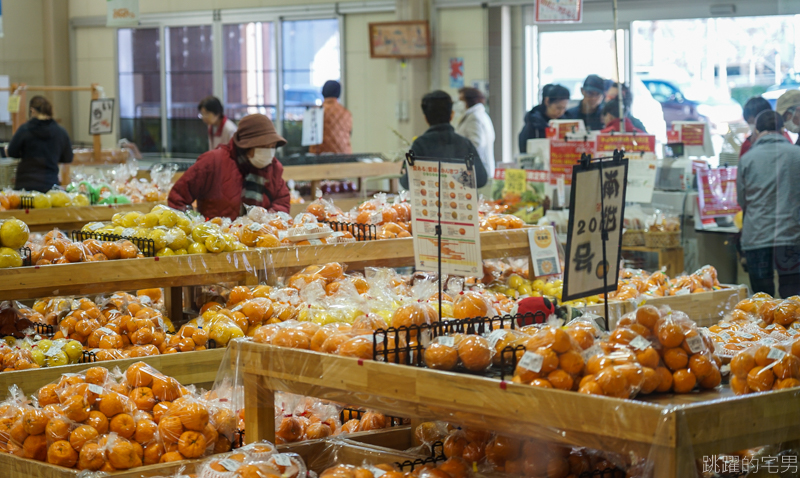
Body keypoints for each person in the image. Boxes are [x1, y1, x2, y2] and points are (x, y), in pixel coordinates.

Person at [169, 114, 290, 220]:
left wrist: (267, 219)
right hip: (216, 241)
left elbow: (282, 201)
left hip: (259, 241)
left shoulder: (273, 168)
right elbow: (178, 197)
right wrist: (192, 226)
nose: (269, 152)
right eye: (263, 146)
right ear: (246, 146)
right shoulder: (213, 161)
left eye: (272, 146)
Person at [737, 110, 800, 298]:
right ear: (782, 129)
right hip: (792, 237)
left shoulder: (747, 159)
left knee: (762, 300)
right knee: (792, 299)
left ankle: (764, 328)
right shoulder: (797, 155)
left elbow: (742, 200)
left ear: (756, 130)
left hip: (757, 237)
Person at [399, 91, 487, 190]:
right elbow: (481, 179)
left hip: (429, 203)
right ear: (452, 115)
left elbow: (408, 182)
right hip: (461, 203)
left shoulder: (421, 144)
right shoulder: (465, 144)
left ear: (425, 118)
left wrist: (403, 175)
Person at [5, 96, 73, 192]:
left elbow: (12, 152)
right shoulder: (61, 132)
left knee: (27, 207)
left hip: (25, 185)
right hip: (50, 185)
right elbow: (68, 158)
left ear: (32, 111)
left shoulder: (24, 129)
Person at [455, 87, 495, 179]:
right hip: (479, 168)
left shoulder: (474, 118)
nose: (458, 104)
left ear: (469, 100)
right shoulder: (480, 115)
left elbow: (476, 144)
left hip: (477, 170)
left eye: (461, 100)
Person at [518, 84, 570, 153]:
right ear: (547, 101)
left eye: (564, 108)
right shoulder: (533, 123)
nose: (561, 112)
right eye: (558, 108)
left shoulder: (566, 121)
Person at [309, 80, 353, 155]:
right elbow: (350, 133)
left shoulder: (315, 112)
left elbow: (309, 136)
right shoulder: (347, 113)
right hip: (344, 156)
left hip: (320, 157)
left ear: (323, 92)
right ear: (338, 93)